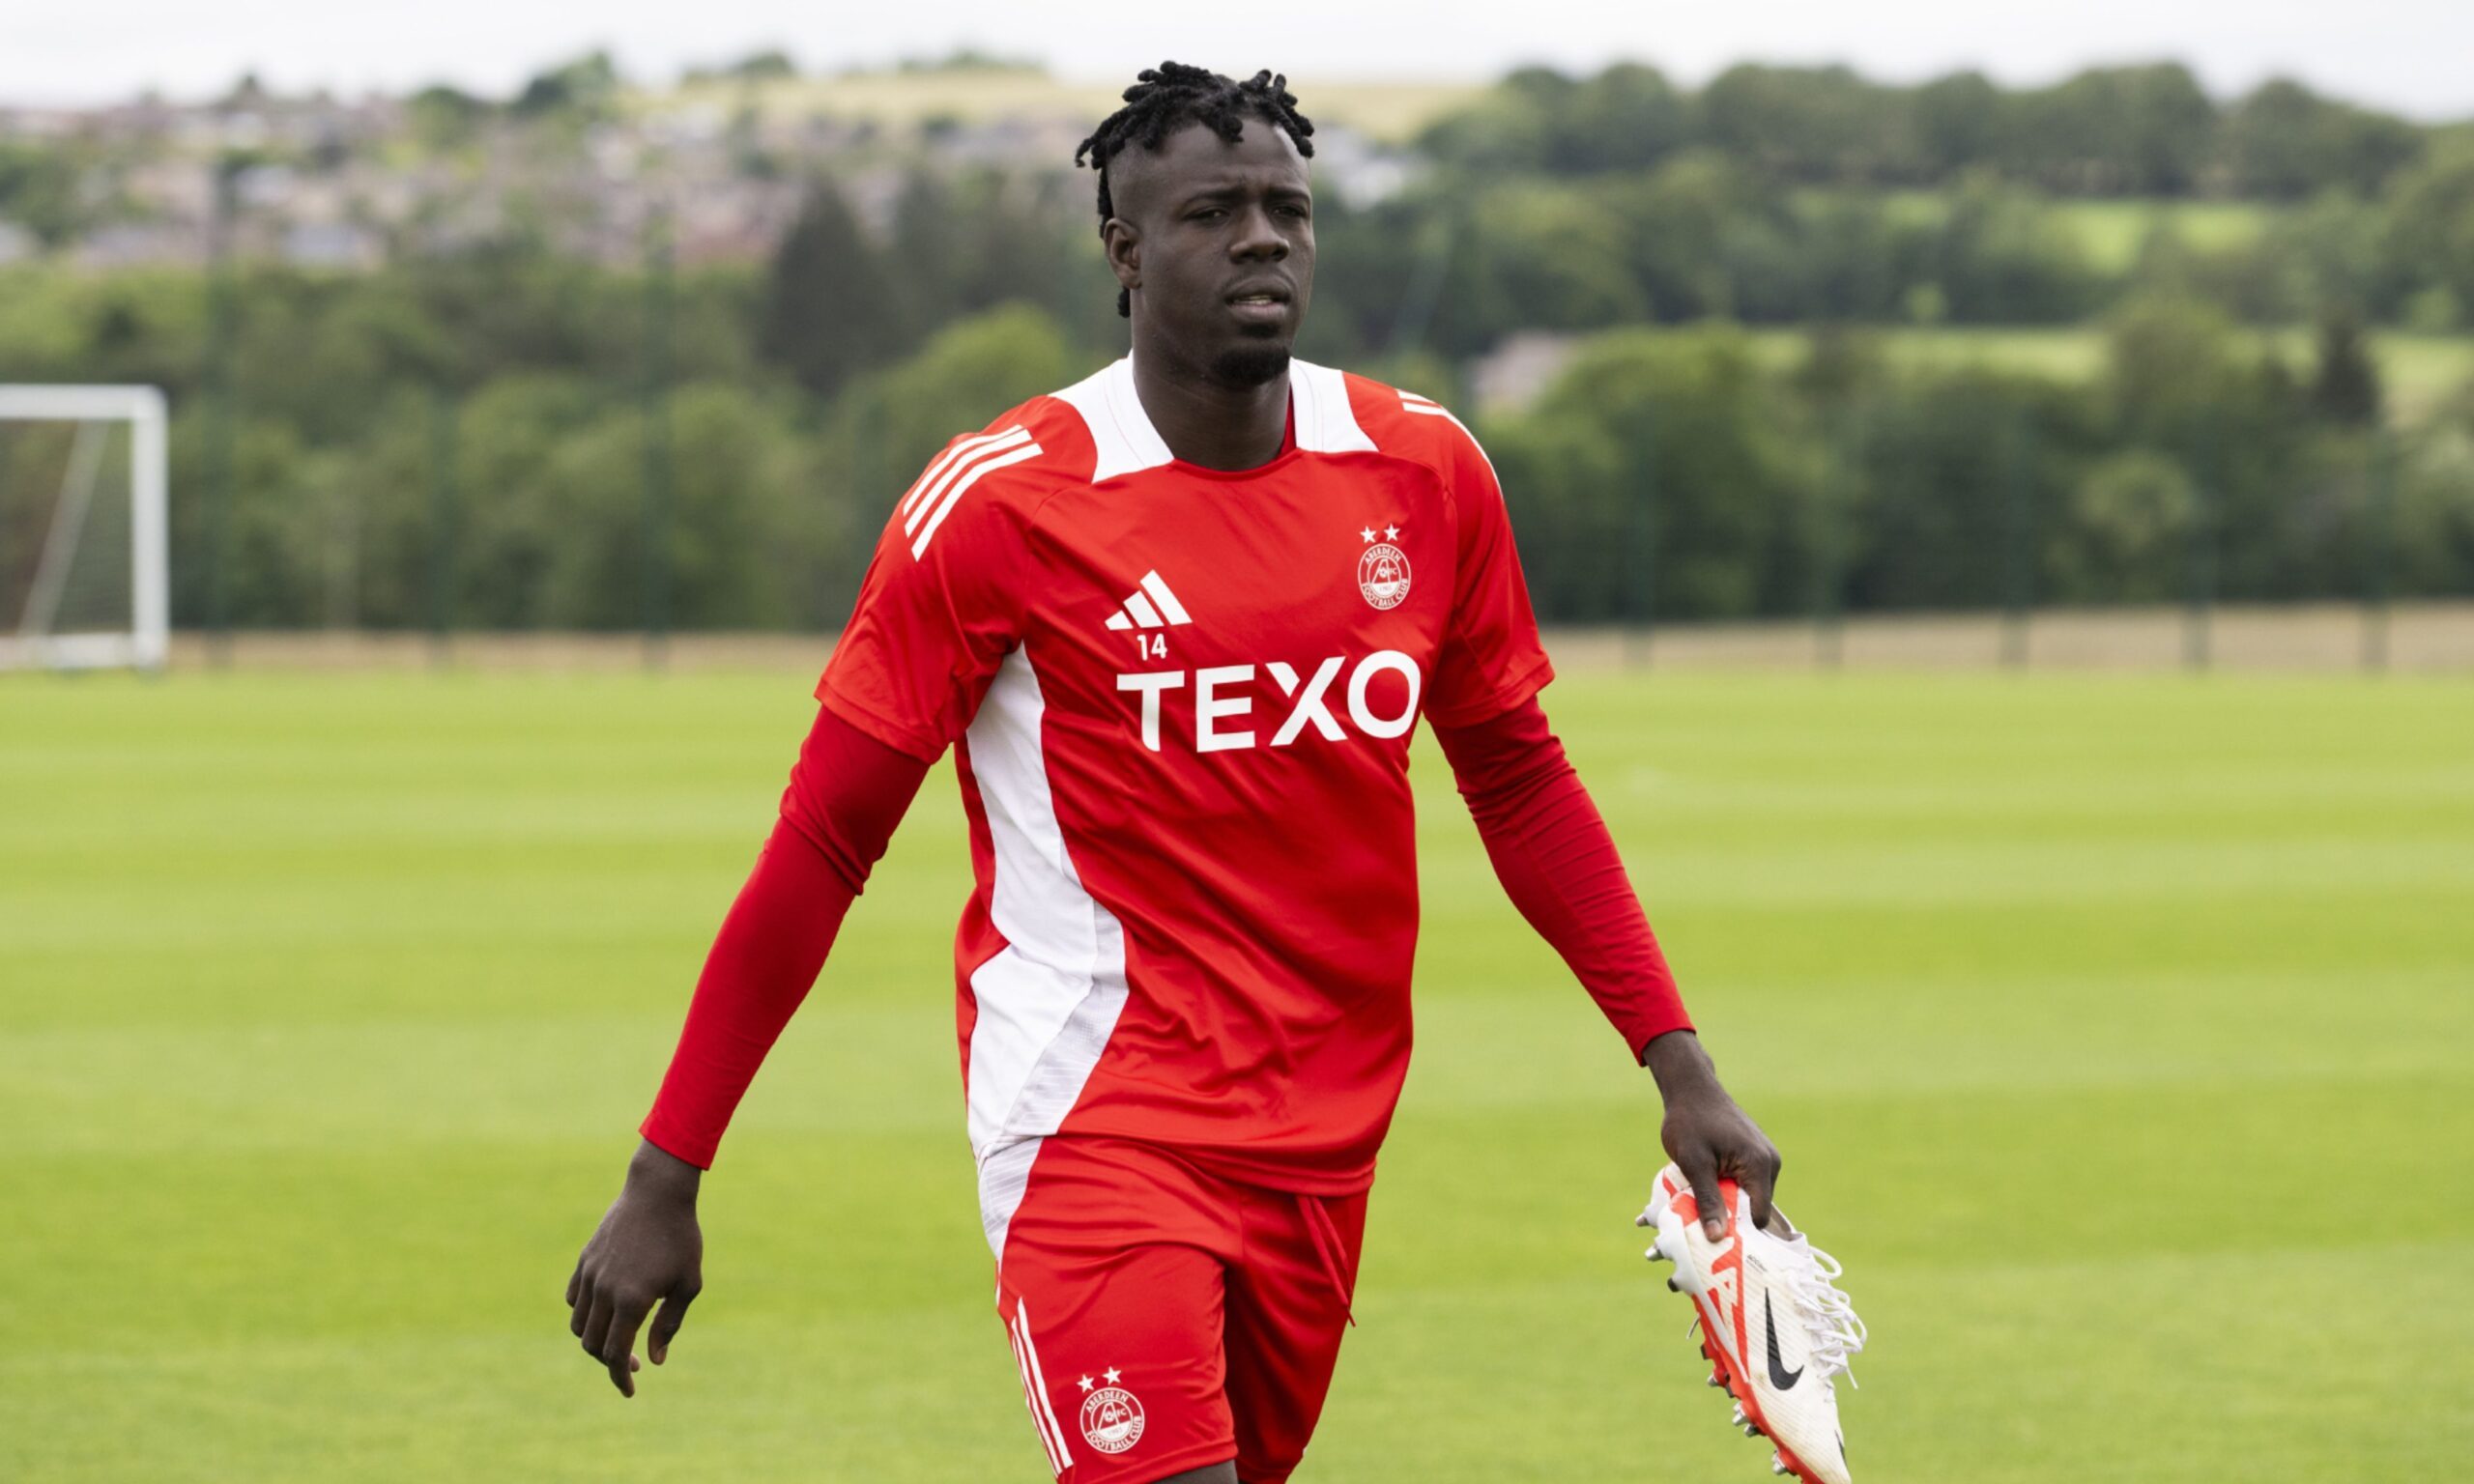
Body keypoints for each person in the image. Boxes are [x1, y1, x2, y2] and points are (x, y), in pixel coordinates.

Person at [565, 61, 1784, 1484]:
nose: (1264, 238)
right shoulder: (1003, 504)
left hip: (1328, 1132)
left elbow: (1516, 778)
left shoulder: (1426, 471)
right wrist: (670, 1166)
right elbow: (823, 847)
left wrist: (1677, 1059)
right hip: (1095, 1116)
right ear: (1125, 255)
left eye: (1288, 208)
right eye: (1214, 212)